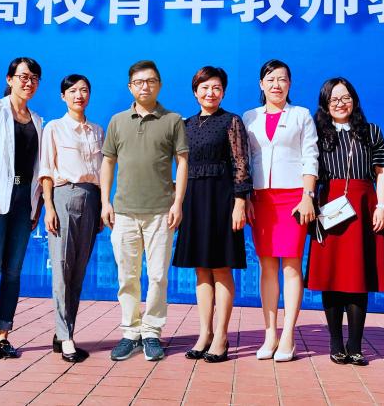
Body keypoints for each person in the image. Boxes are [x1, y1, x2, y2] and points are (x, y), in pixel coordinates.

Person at [100, 60, 189, 362]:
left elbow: (183, 163)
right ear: (130, 87)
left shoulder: (173, 120)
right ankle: (130, 332)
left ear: (159, 85)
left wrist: (177, 202)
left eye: (151, 81)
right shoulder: (117, 121)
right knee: (127, 276)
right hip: (124, 211)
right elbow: (108, 163)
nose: (145, 87)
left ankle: (151, 331)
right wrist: (105, 202)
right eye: (139, 82)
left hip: (161, 212)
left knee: (158, 275)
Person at [306, 77, 384, 366]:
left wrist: (381, 206)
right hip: (329, 207)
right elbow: (308, 170)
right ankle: (335, 342)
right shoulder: (316, 133)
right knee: (332, 277)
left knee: (359, 278)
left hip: (363, 206)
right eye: (333, 99)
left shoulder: (371, 131)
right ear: (325, 104)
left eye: (345, 98)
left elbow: (382, 172)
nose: (340, 104)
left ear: (354, 100)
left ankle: (355, 345)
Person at [172, 66, 251, 364]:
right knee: (201, 269)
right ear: (195, 92)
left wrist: (240, 202)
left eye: (216, 87)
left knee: (221, 267)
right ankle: (204, 333)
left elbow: (241, 163)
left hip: (222, 199)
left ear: (223, 92)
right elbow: (180, 166)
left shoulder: (231, 121)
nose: (210, 93)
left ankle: (221, 336)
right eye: (204, 87)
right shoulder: (185, 124)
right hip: (193, 200)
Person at [242, 59, 318, 363]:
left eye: (282, 79)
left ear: (290, 84)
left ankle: (288, 335)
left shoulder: (301, 115)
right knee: (267, 266)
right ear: (261, 84)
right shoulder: (249, 117)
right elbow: (245, 161)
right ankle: (270, 333)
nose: (276, 85)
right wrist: (246, 197)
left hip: (294, 199)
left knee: (291, 266)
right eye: (271, 79)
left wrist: (308, 196)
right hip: (261, 199)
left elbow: (310, 156)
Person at [0, 57, 44, 360]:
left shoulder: (38, 120)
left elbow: (39, 168)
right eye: (24, 76)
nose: (29, 82)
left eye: (34, 78)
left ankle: (4, 334)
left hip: (24, 199)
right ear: (10, 79)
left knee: (13, 271)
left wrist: (37, 205)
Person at [39, 74, 104, 363]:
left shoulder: (97, 131)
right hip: (64, 196)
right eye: (73, 90)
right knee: (62, 269)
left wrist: (102, 207)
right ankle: (66, 338)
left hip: (92, 198)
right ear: (63, 96)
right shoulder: (54, 128)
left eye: (84, 90)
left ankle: (64, 333)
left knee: (78, 271)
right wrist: (49, 207)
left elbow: (102, 173)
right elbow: (45, 171)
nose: (79, 95)